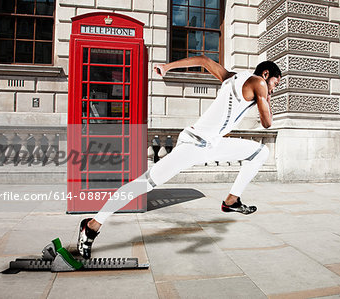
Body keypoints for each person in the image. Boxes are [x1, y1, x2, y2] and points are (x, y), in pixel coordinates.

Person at [77, 56, 282, 259]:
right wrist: (267, 94)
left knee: (260, 152)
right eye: (275, 83)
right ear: (266, 74)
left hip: (212, 144)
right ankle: (91, 226)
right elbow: (267, 123)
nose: (274, 88)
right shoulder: (259, 82)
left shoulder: (233, 77)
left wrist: (167, 66)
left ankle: (231, 200)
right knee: (144, 183)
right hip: (194, 145)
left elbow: (203, 61)